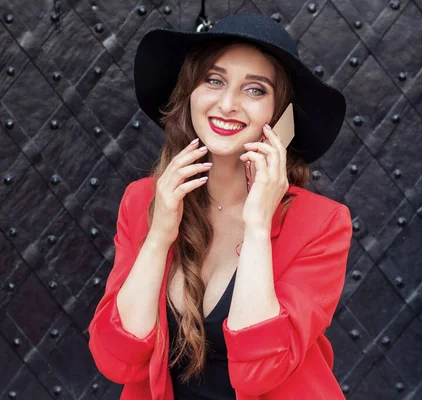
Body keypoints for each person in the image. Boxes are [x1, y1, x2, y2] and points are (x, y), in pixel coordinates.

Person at [87, 13, 352, 400]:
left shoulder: (323, 223)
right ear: (189, 92)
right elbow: (117, 358)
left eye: (255, 90)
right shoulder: (144, 199)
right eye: (213, 80)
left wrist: (259, 225)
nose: (227, 104)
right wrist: (160, 235)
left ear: (281, 117)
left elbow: (260, 372)